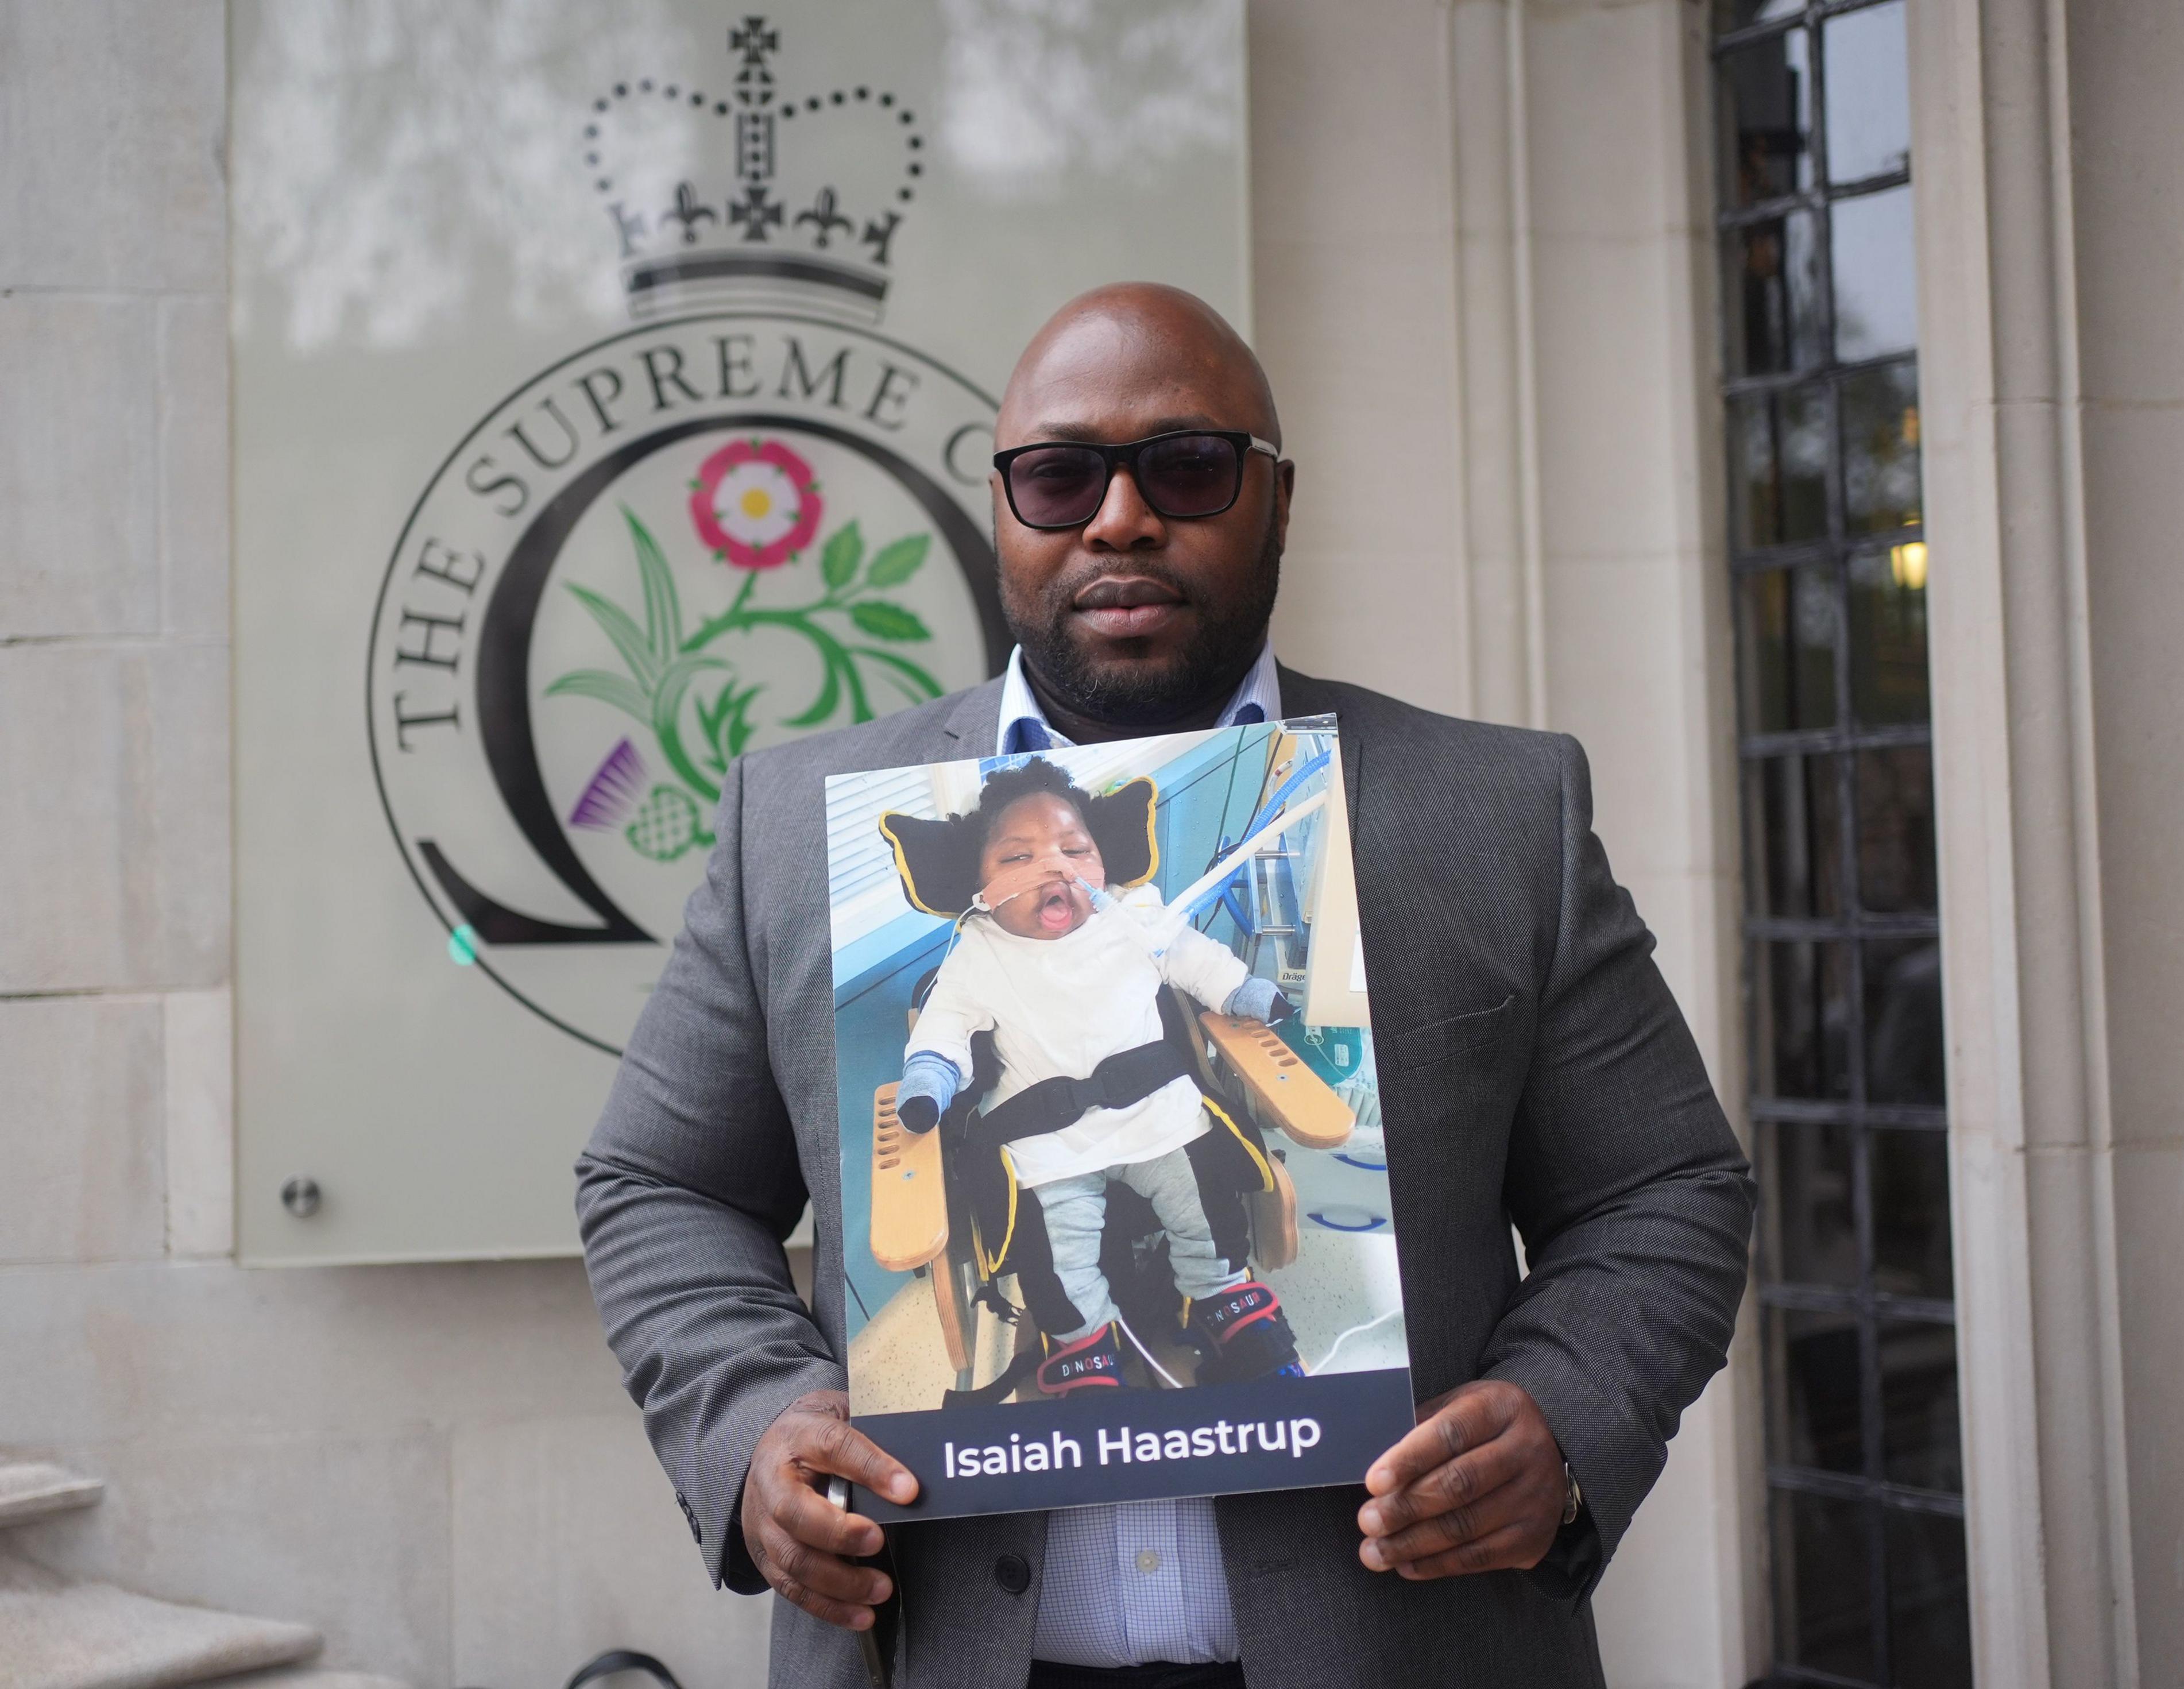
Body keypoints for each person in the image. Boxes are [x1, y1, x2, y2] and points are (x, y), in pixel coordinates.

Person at [577, 282, 1754, 1689]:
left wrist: (1564, 1416)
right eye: (1060, 475)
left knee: (1199, 1226)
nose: (1119, 518)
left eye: (1186, 467)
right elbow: (660, 1185)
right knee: (1067, 1262)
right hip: (937, 1648)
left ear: (1278, 497)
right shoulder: (795, 825)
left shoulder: (1497, 815)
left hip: (1409, 1646)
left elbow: (1662, 1186)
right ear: (1003, 509)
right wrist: (752, 1423)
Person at [892, 759, 1303, 1397]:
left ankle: (1222, 1298)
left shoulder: (1134, 918)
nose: (1055, 867)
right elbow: (943, 1030)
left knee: (1210, 1205)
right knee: (1053, 1257)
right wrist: (928, 1078)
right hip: (1048, 1146)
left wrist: (1241, 990)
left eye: (1074, 849)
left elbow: (1194, 959)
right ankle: (1082, 1342)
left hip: (1157, 1118)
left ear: (1103, 863)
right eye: (1019, 857)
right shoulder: (977, 952)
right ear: (980, 886)